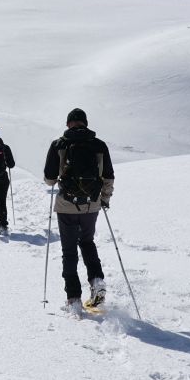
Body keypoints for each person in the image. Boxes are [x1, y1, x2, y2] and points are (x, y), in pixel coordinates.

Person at [43, 108, 114, 317]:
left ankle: (74, 299)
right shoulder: (99, 145)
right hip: (91, 206)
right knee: (87, 242)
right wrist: (104, 200)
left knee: (69, 251)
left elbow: (49, 178)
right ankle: (97, 281)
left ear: (68, 124)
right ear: (85, 123)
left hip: (66, 205)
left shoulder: (59, 144)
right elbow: (108, 177)